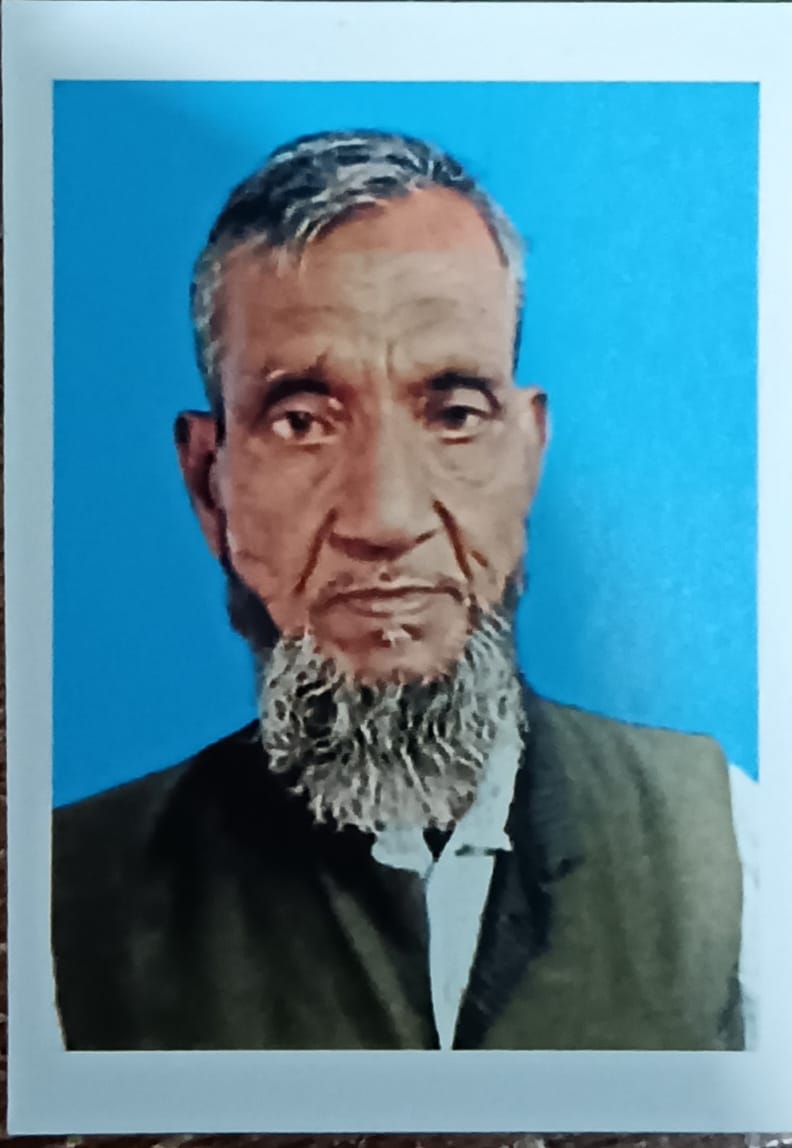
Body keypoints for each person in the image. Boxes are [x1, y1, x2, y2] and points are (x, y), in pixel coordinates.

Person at [52, 129, 756, 1052]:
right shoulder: (62, 903)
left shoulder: (729, 853)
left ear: (528, 458)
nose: (385, 517)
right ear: (208, 485)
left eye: (455, 414)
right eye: (302, 421)